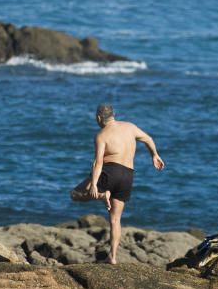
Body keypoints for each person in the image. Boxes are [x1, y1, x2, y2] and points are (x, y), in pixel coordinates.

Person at [70, 103, 164, 264]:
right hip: (128, 175)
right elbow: (148, 139)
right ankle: (113, 257)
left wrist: (93, 184)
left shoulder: (101, 135)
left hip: (109, 172)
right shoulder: (130, 127)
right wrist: (154, 155)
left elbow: (98, 162)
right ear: (114, 114)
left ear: (99, 117)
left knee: (75, 194)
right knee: (115, 220)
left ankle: (102, 195)